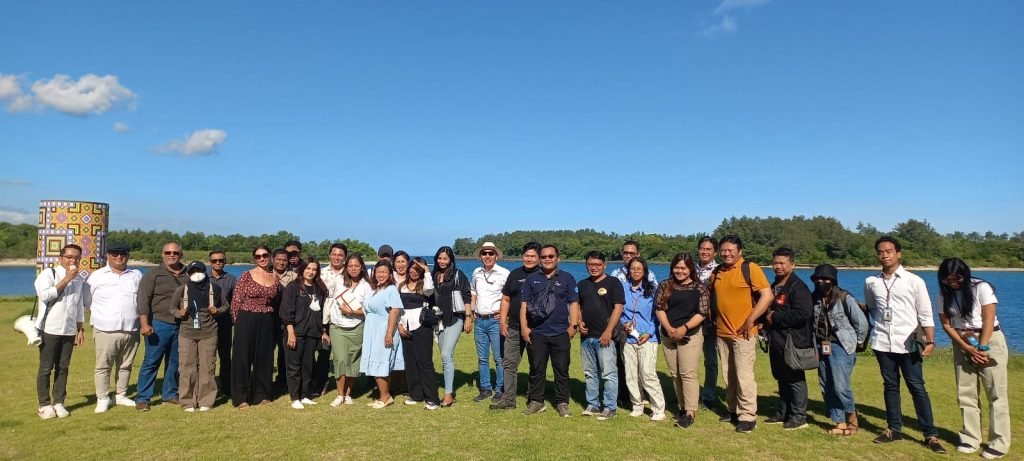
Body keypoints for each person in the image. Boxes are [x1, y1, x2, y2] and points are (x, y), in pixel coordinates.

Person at [865, 236, 945, 453]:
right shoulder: (871, 282)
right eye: (880, 252)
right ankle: (893, 429)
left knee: (917, 387)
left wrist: (930, 341)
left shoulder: (914, 281)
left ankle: (930, 435)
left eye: (889, 251)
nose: (884, 255)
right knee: (890, 386)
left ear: (898, 253)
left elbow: (925, 313)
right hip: (883, 342)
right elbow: (873, 308)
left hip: (908, 342)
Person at [937, 258, 1009, 459]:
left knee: (996, 393)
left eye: (957, 279)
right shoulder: (944, 293)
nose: (953, 284)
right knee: (966, 392)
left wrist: (982, 347)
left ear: (965, 275)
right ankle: (970, 437)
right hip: (962, 341)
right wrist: (966, 347)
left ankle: (999, 441)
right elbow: (946, 324)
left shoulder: (981, 287)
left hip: (989, 339)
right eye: (948, 280)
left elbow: (988, 318)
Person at [710, 235, 772, 433]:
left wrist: (751, 320)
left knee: (744, 375)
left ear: (740, 251)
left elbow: (767, 295)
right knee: (729, 374)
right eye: (723, 250)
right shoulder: (717, 272)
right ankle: (733, 409)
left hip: (743, 333)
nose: (727, 254)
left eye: (731, 250)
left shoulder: (750, 268)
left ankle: (747, 416)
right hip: (722, 332)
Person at [520, 244, 581, 418]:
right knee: (536, 369)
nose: (547, 259)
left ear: (558, 258)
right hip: (537, 332)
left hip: (560, 332)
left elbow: (574, 303)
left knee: (561, 369)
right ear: (540, 259)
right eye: (544, 256)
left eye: (551, 256)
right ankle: (536, 401)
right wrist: (524, 327)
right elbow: (524, 305)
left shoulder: (567, 278)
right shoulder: (532, 279)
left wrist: (573, 325)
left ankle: (562, 402)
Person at [83, 242, 142, 413]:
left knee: (125, 365)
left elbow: (142, 299)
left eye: (123, 253)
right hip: (105, 329)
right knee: (103, 366)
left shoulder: (136, 275)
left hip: (131, 328)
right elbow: (87, 301)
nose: (119, 257)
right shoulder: (97, 276)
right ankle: (102, 398)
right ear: (108, 255)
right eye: (115, 254)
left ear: (128, 256)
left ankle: (121, 395)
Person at [811, 264, 868, 436]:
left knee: (841, 386)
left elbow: (862, 324)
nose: (821, 282)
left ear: (833, 280)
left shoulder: (844, 298)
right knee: (826, 384)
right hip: (822, 346)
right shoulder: (815, 299)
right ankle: (839, 422)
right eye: (818, 279)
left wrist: (856, 343)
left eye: (825, 279)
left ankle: (852, 417)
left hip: (842, 346)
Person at [654, 252, 709, 428]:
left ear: (690, 269)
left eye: (683, 268)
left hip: (690, 335)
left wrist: (684, 328)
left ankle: (690, 412)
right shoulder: (665, 285)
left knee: (688, 373)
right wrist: (669, 329)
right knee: (675, 373)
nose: (680, 271)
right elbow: (659, 308)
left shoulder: (699, 288)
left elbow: (702, 313)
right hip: (668, 334)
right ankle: (682, 406)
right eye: (677, 267)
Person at [33, 244, 86, 419]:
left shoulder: (79, 279)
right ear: (61, 258)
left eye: (77, 257)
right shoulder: (49, 274)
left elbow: (78, 305)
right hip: (50, 328)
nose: (73, 260)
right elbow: (45, 295)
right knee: (46, 367)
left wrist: (80, 328)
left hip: (68, 330)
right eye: (69, 257)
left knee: (63, 367)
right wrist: (66, 279)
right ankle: (44, 404)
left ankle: (59, 402)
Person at [763, 248, 813, 430]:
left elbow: (804, 313)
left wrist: (775, 317)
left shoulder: (798, 287)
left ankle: (799, 416)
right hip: (777, 339)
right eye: (775, 263)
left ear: (792, 264)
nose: (778, 266)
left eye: (782, 263)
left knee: (794, 377)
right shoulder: (775, 285)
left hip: (793, 340)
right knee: (781, 376)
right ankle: (783, 412)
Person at [135, 241, 187, 411]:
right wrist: (144, 324)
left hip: (182, 325)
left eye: (175, 252)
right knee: (151, 361)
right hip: (159, 323)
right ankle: (143, 397)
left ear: (181, 255)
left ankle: (170, 393)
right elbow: (143, 300)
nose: (171, 255)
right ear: (162, 254)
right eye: (168, 252)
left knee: (175, 362)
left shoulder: (188, 273)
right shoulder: (153, 275)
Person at [490, 242, 541, 411]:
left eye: (533, 256)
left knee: (536, 364)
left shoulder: (543, 275)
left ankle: (533, 398)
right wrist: (502, 322)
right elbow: (506, 299)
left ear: (539, 258)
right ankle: (508, 399)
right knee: (509, 363)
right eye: (526, 256)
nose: (529, 259)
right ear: (522, 256)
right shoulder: (515, 274)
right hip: (513, 327)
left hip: (536, 328)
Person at [170, 261, 226, 412]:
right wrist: (179, 313)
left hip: (209, 333)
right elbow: (172, 308)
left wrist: (217, 311)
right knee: (186, 367)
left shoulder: (215, 289)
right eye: (193, 271)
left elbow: (225, 306)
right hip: (187, 334)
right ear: (188, 274)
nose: (196, 274)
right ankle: (188, 401)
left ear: (204, 272)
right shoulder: (182, 290)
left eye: (199, 271)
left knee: (207, 367)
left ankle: (206, 400)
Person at [231, 245, 281, 408]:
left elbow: (275, 301)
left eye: (265, 255)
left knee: (264, 358)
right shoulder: (246, 275)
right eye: (258, 256)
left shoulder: (275, 277)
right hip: (246, 317)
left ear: (270, 256)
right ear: (254, 259)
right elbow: (236, 300)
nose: (262, 258)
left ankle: (262, 394)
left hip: (267, 319)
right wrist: (238, 322)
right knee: (242, 358)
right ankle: (241, 397)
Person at [577, 251, 624, 420]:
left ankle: (610, 407)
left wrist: (608, 331)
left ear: (605, 265)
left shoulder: (613, 282)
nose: (594, 267)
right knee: (590, 372)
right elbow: (578, 306)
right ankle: (593, 404)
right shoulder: (582, 284)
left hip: (605, 336)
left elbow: (618, 308)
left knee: (608, 373)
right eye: (590, 264)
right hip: (586, 337)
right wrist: (579, 321)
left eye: (597, 265)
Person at [610, 240, 657, 407]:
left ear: (638, 254)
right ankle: (625, 396)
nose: (628, 255)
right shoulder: (615, 273)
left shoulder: (649, 275)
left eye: (632, 253)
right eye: (626, 253)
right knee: (623, 363)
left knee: (643, 366)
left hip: (642, 327)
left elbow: (654, 301)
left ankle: (644, 395)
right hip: (621, 325)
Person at [620, 257, 666, 422]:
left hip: (648, 337)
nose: (635, 271)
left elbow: (657, 315)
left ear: (645, 271)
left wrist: (649, 332)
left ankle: (658, 408)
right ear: (628, 271)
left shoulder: (653, 289)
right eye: (632, 268)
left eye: (639, 268)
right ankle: (637, 405)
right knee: (631, 374)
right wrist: (624, 323)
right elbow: (618, 311)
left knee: (647, 374)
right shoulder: (623, 288)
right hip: (629, 338)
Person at [281, 258, 329, 409]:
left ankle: (304, 395)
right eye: (308, 268)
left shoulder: (319, 288)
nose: (311, 272)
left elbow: (322, 312)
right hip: (296, 332)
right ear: (302, 269)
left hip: (313, 333)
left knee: (308, 366)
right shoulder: (293, 287)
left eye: (314, 269)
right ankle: (295, 397)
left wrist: (323, 331)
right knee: (294, 366)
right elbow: (287, 311)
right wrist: (291, 332)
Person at [325, 254, 371, 407]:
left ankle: (348, 394)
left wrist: (351, 312)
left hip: (357, 327)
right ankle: (340, 394)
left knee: (353, 361)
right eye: (350, 265)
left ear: (361, 267)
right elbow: (328, 298)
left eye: (356, 266)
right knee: (340, 359)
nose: (353, 268)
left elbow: (368, 310)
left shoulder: (366, 285)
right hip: (338, 326)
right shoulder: (338, 280)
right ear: (346, 267)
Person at [360, 261, 404, 409]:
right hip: (372, 330)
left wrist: (389, 333)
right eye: (378, 272)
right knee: (375, 361)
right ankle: (383, 394)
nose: (381, 275)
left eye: (384, 272)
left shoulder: (391, 290)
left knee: (381, 363)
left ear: (390, 274)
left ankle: (385, 397)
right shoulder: (375, 290)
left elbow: (395, 311)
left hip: (383, 329)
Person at [398, 260, 440, 410]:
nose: (414, 272)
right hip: (405, 326)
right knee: (410, 362)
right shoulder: (401, 286)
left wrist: (427, 270)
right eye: (412, 269)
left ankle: (432, 398)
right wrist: (399, 325)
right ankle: (416, 394)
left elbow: (429, 290)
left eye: (418, 269)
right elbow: (398, 308)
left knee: (424, 362)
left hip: (422, 325)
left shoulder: (424, 286)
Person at [470, 241, 509, 402]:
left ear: (496, 256)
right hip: (480, 321)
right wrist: (472, 310)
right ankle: (485, 388)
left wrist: (505, 314)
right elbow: (473, 291)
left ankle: (500, 390)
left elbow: (511, 296)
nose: (487, 256)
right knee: (482, 358)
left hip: (495, 321)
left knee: (499, 358)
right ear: (480, 256)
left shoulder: (504, 273)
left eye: (490, 253)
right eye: (484, 253)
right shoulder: (476, 272)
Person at [432, 246, 472, 407]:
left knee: (446, 354)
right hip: (439, 321)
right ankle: (449, 389)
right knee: (445, 356)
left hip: (455, 319)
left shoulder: (457, 274)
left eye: (445, 258)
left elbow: (467, 295)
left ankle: (448, 394)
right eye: (439, 258)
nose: (442, 261)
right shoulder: (434, 275)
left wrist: (468, 317)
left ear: (450, 260)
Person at [695, 236, 720, 410]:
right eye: (702, 248)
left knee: (710, 360)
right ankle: (689, 394)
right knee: (689, 360)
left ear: (715, 252)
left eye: (708, 249)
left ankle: (709, 396)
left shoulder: (720, 270)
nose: (704, 252)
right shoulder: (691, 268)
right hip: (692, 320)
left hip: (711, 322)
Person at [207, 249, 236, 395]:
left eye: (221, 260)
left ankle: (226, 387)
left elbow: (235, 301)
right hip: (207, 323)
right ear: (210, 262)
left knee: (225, 356)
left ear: (225, 261)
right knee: (207, 356)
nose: (218, 263)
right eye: (214, 260)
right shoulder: (203, 278)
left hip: (225, 322)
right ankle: (207, 387)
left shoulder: (231, 279)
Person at [271, 248, 296, 392]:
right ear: (272, 260)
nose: (281, 263)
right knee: (267, 352)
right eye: (278, 260)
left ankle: (283, 380)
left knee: (284, 352)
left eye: (284, 260)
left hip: (286, 321)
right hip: (268, 319)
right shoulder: (266, 274)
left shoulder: (294, 277)